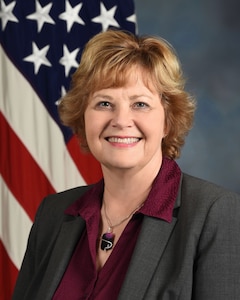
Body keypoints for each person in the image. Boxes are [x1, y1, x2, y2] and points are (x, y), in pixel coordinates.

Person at [12, 30, 240, 300]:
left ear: (167, 121)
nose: (121, 120)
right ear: (83, 117)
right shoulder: (54, 213)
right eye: (104, 103)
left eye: (140, 104)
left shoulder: (214, 214)